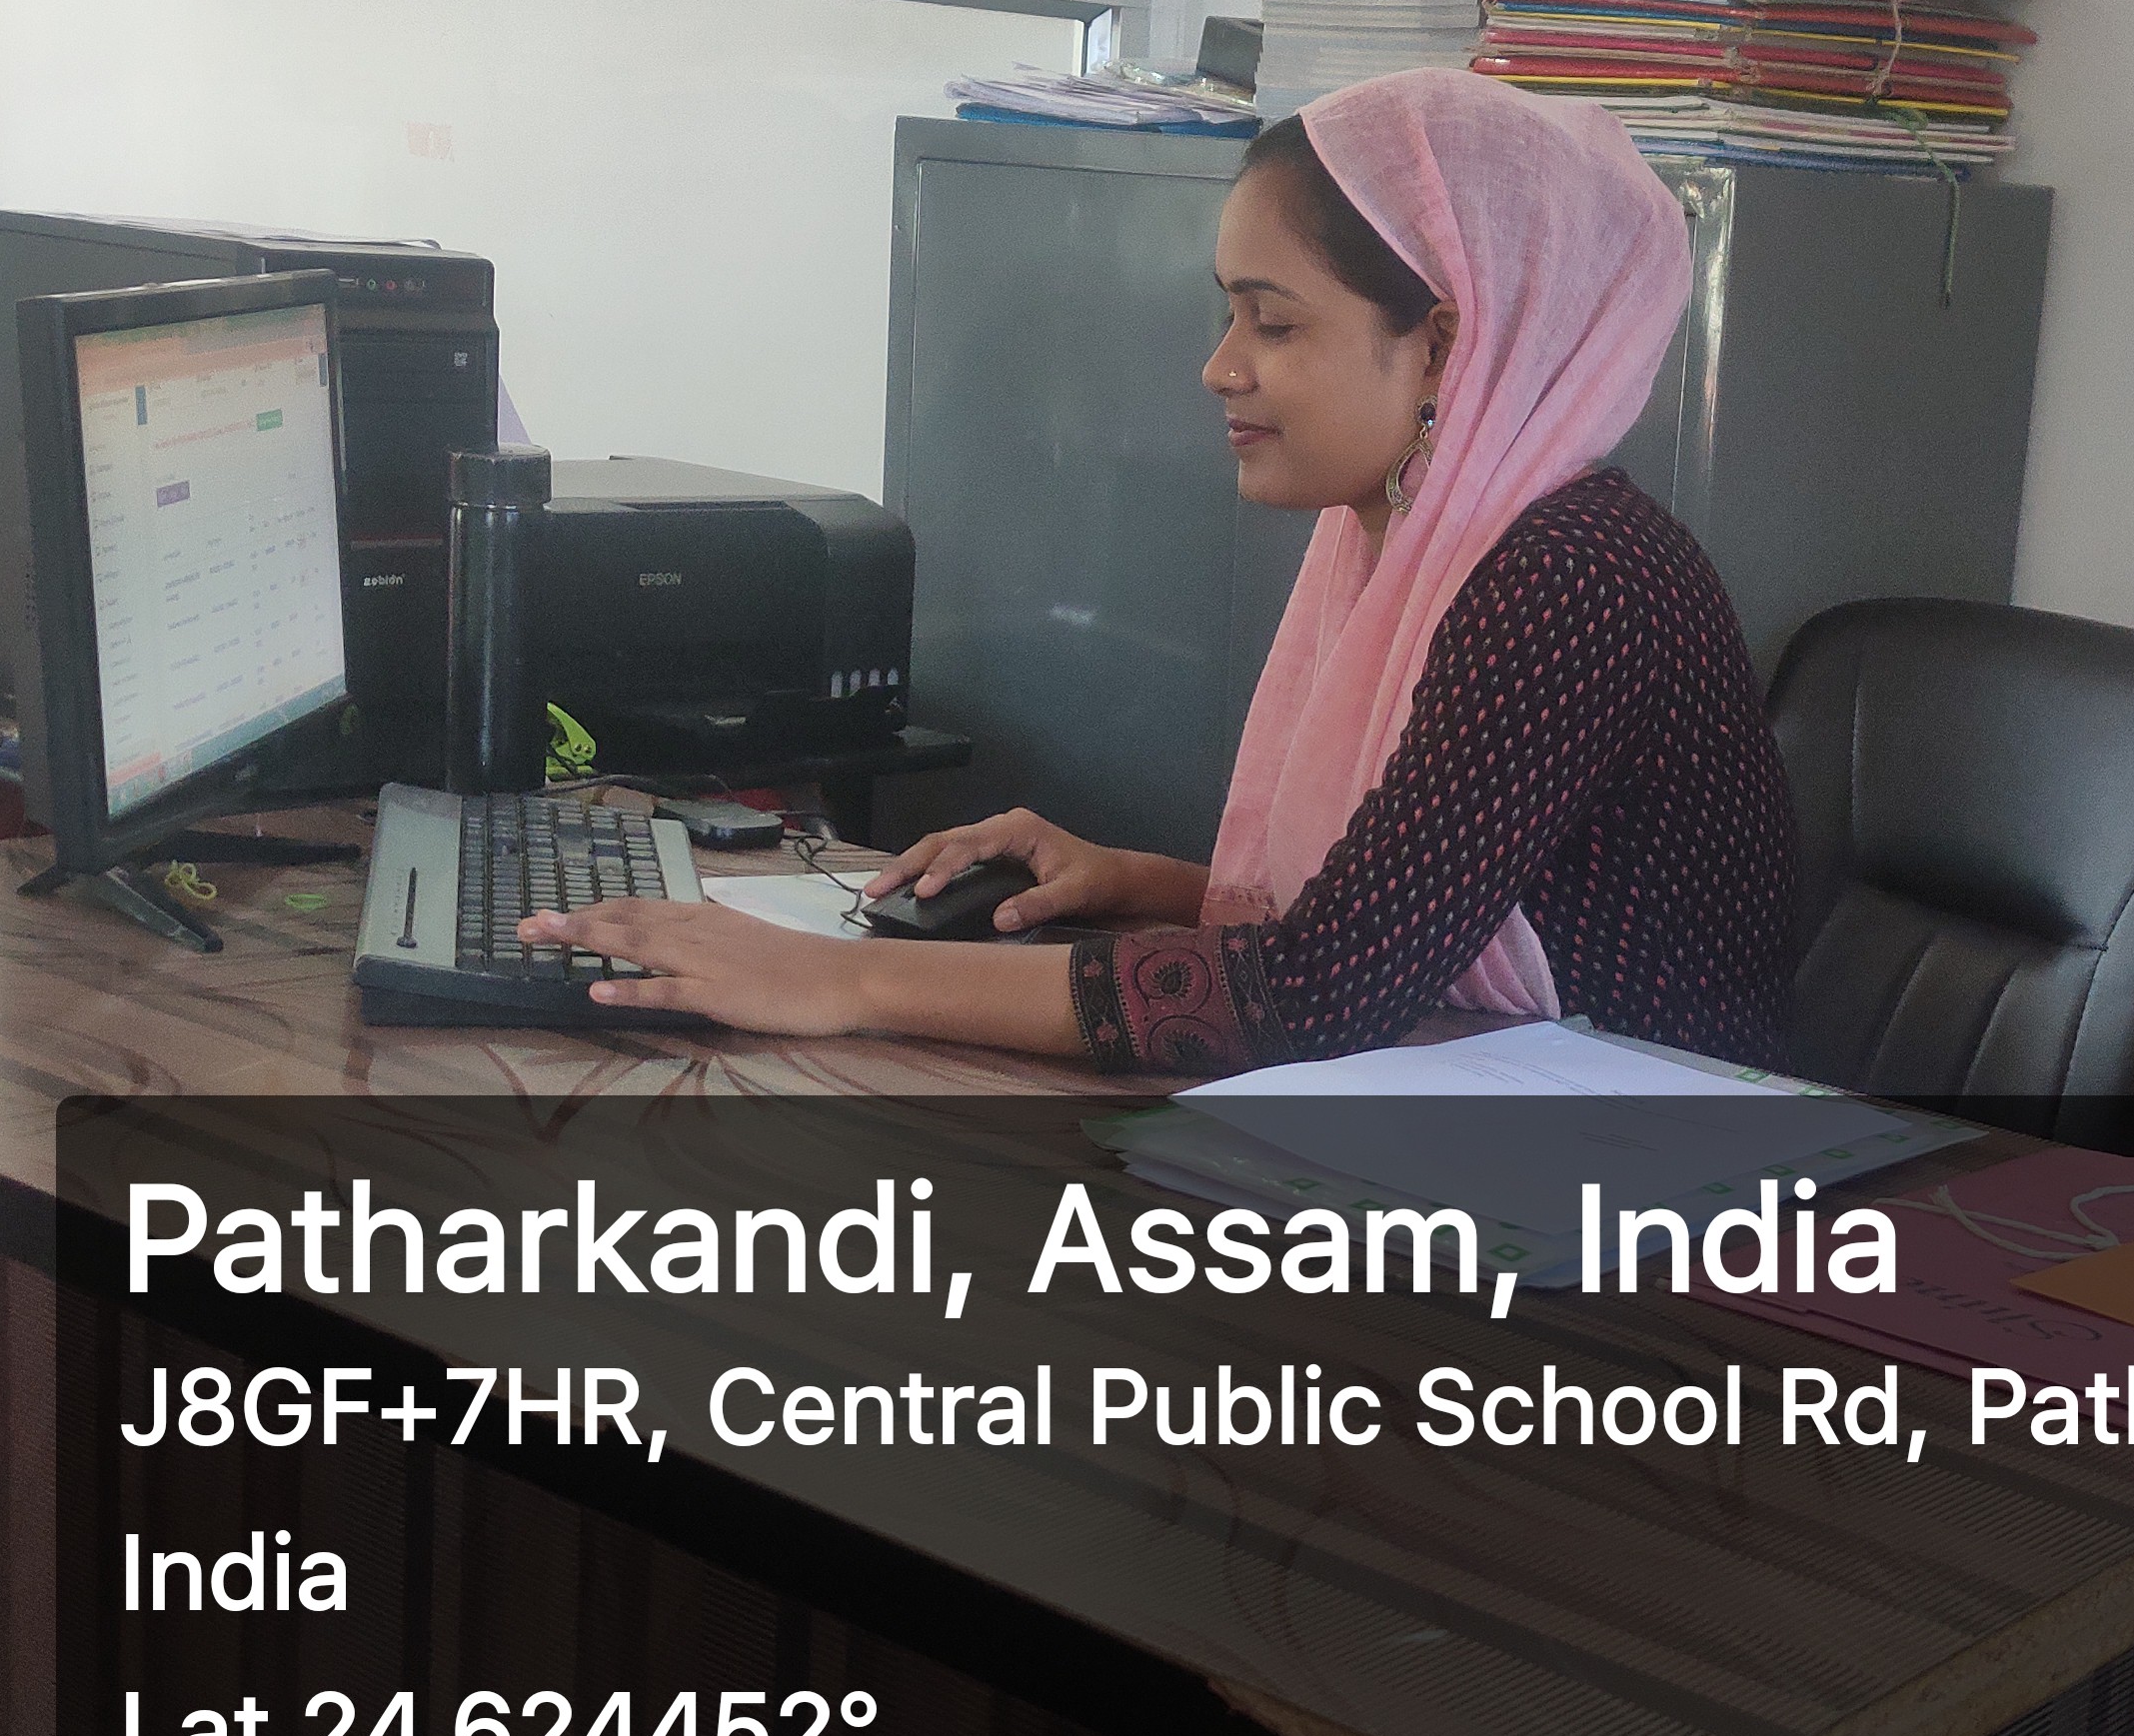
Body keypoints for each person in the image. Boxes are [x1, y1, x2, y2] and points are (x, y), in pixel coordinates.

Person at [526, 67, 1796, 1074]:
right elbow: (1396, 927)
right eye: (1228, 312)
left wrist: (844, 978)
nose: (1220, 366)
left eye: (1274, 321)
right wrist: (1136, 882)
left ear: (1441, 346)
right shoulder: (1417, 540)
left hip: (1652, 1215)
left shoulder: (1571, 579)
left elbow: (1319, 991)